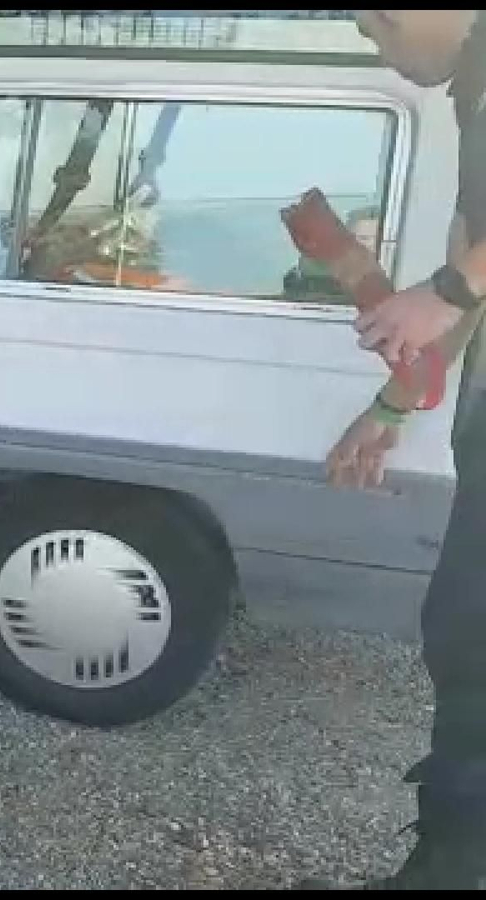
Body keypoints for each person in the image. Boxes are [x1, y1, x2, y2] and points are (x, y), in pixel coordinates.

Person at [306, 9, 486, 890]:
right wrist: (392, 404)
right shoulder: (474, 89)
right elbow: (471, 265)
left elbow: (464, 278)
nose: (379, 47)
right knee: (463, 634)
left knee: (476, 644)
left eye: (377, 29)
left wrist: (447, 290)